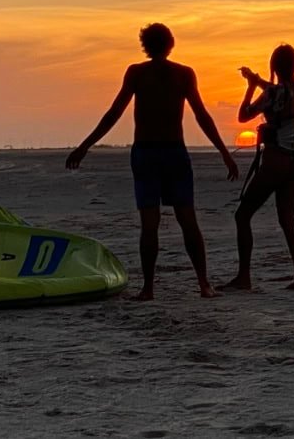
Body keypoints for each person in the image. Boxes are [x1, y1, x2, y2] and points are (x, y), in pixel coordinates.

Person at [65, 23, 239, 300]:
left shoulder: (140, 73)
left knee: (152, 224)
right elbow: (202, 116)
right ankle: (203, 284)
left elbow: (114, 114)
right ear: (170, 44)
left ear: (145, 45)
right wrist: (224, 153)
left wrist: (84, 147)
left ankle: (150, 288)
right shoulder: (180, 74)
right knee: (186, 220)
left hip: (150, 153)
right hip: (169, 153)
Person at [225, 44, 294, 291]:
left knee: (242, 215)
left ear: (275, 66)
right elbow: (278, 91)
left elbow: (244, 116)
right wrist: (258, 80)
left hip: (275, 164)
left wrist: (250, 86)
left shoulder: (273, 93)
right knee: (287, 220)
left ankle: (244, 277)